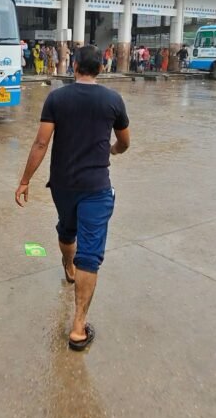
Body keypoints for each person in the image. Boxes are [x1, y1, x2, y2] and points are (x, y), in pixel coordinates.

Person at [15, 46, 130, 350]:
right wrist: (112, 150)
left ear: (74, 66)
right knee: (89, 256)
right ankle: (78, 326)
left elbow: (41, 142)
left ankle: (68, 266)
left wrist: (25, 180)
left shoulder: (57, 98)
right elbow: (124, 142)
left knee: (67, 230)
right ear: (101, 68)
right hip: (96, 188)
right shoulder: (113, 100)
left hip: (63, 186)